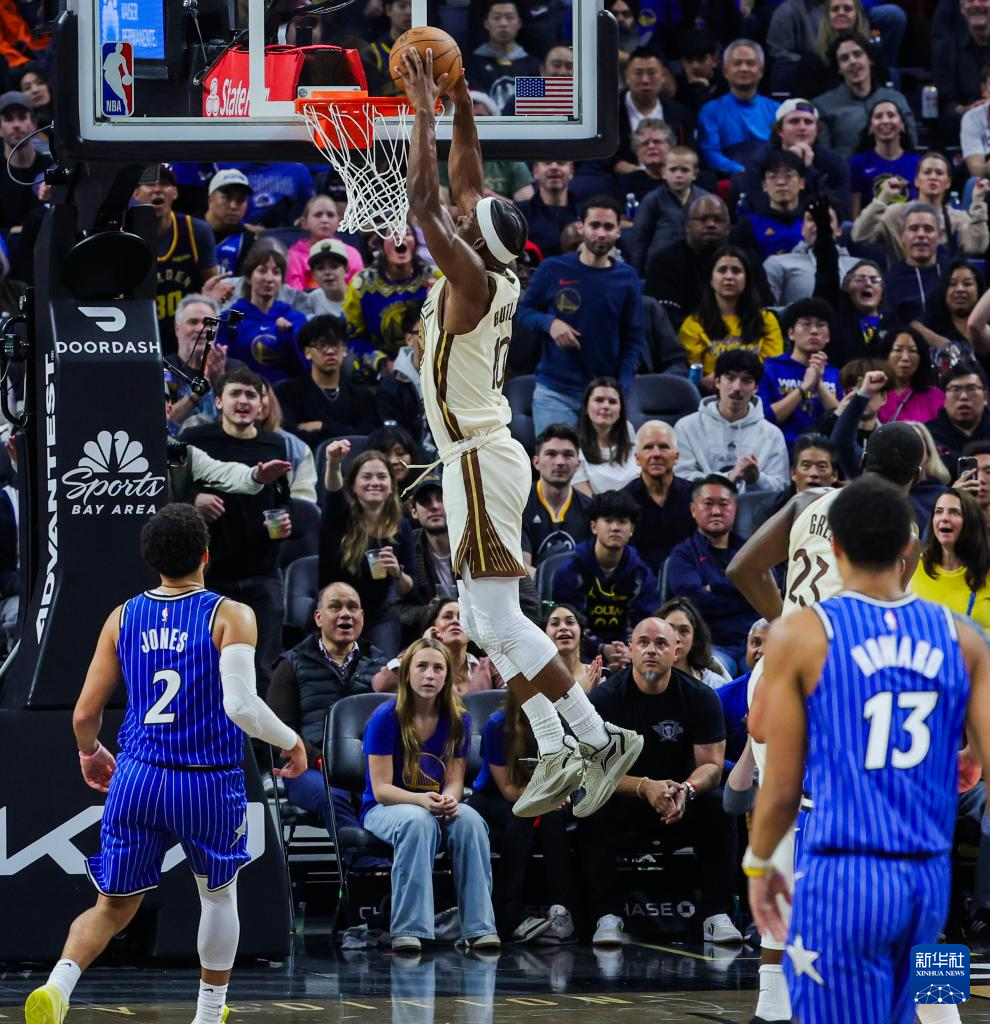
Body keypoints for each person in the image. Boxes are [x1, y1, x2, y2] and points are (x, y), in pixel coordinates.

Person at [403, 53, 643, 822]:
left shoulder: (471, 280)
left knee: (499, 619)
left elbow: (424, 197)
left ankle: (597, 736)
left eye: (466, 220)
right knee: (478, 621)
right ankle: (556, 737)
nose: (460, 213)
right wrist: (461, 103)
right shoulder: (492, 267)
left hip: (479, 456)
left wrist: (420, 107)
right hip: (473, 455)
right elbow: (465, 181)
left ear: (472, 240)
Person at [23, 504, 306, 1024]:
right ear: (206, 555)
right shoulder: (231, 615)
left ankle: (57, 986)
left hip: (138, 776)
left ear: (151, 560)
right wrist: (291, 740)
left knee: (111, 906)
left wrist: (91, 752)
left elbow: (84, 714)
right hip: (205, 780)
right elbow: (242, 707)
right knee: (217, 897)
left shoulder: (122, 616)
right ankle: (208, 1014)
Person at [745, 476, 990, 1024]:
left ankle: (769, 1005)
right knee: (926, 979)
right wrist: (965, 757)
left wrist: (759, 866)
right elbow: (980, 766)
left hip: (843, 869)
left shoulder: (801, 635)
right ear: (910, 548)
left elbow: (769, 760)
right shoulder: (965, 636)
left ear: (834, 546)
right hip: (929, 872)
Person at [726, 421, 925, 1024]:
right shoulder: (907, 544)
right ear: (918, 475)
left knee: (787, 831)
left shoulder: (809, 500)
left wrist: (790, 628)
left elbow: (741, 569)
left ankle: (774, 1001)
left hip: (780, 671)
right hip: (834, 686)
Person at [576, 617, 742, 946]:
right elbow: (592, 770)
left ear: (676, 651)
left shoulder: (701, 697)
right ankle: (606, 915)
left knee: (719, 805)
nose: (651, 650)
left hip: (680, 801)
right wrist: (644, 786)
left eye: (661, 643)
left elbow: (711, 766)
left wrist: (687, 789)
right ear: (631, 650)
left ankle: (717, 913)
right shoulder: (604, 699)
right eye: (643, 642)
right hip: (625, 800)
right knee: (591, 805)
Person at [362, 638, 499, 953]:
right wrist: (421, 800)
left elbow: (454, 781)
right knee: (417, 822)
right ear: (407, 672)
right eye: (421, 666)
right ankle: (409, 929)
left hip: (432, 805)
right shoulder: (385, 717)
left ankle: (480, 928)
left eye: (438, 668)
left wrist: (450, 799)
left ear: (448, 676)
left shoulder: (458, 718)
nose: (429, 675)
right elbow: (381, 790)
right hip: (385, 808)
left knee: (470, 821)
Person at [182, 367, 294, 696]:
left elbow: (283, 498)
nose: (243, 401)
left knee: (263, 669)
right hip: (210, 574)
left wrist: (284, 519)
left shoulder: (275, 444)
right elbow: (169, 493)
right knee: (206, 667)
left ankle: (261, 733)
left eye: (251, 395)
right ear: (218, 401)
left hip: (263, 573)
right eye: (235, 393)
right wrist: (194, 500)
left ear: (261, 404)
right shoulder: (195, 440)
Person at [266, 581, 387, 845]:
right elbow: (278, 731)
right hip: (308, 768)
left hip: (370, 768)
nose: (346, 614)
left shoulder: (380, 665)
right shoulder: (291, 664)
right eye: (335, 607)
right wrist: (321, 760)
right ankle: (362, 862)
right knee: (332, 797)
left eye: (352, 607)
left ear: (362, 616)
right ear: (318, 617)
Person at [517, 194, 646, 435]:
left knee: (605, 460)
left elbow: (634, 338)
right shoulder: (553, 268)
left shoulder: (627, 278)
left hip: (603, 393)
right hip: (555, 391)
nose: (601, 233)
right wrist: (550, 323)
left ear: (619, 231)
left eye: (608, 227)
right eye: (594, 225)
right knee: (557, 458)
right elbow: (523, 311)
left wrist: (620, 387)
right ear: (581, 227)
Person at [468, 687, 577, 944]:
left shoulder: (562, 723)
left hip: (544, 799)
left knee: (550, 818)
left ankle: (562, 910)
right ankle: (509, 912)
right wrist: (549, 797)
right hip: (493, 799)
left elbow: (571, 774)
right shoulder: (498, 725)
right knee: (526, 814)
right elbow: (508, 789)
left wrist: (561, 793)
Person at [319, 440, 414, 658]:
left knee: (382, 670)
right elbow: (332, 491)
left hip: (378, 615)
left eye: (382, 477)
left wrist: (397, 573)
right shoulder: (338, 517)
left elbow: (410, 589)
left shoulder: (402, 525)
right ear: (353, 485)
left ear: (391, 485)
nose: (375, 482)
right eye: (367, 476)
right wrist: (333, 463)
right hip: (335, 611)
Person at [551, 488, 659, 669]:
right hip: (579, 654)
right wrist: (601, 648)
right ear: (594, 526)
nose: (615, 527)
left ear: (632, 529)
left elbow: (645, 622)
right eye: (608, 521)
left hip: (629, 656)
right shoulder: (570, 571)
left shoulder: (642, 574)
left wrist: (626, 651)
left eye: (622, 522)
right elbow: (566, 622)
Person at [666, 474, 761, 674]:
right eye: (708, 504)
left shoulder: (751, 549)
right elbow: (694, 602)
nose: (716, 511)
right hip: (711, 645)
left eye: (724, 504)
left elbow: (768, 588)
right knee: (713, 673)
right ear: (693, 509)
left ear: (734, 508)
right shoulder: (682, 554)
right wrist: (745, 594)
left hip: (754, 641)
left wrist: (715, 587)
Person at [132, 163, 225, 353]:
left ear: (175, 192)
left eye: (164, 183)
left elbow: (211, 287)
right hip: (139, 335)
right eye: (150, 183)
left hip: (186, 336)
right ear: (136, 193)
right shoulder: (124, 233)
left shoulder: (197, 230)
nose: (157, 189)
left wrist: (210, 298)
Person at [675, 350, 791, 496]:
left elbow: (782, 487)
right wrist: (728, 478)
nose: (737, 387)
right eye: (730, 378)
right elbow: (679, 479)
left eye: (746, 381)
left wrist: (756, 479)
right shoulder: (686, 427)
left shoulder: (772, 434)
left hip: (755, 510)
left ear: (756, 388)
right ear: (717, 382)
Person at [852, 151, 990, 262]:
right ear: (917, 181)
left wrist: (978, 202)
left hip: (943, 284)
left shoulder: (958, 219)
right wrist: (882, 199)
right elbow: (859, 236)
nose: (933, 177)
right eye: (927, 172)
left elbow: (977, 247)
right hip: (902, 283)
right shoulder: (895, 214)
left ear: (948, 183)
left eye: (939, 173)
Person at [677, 247, 783, 385]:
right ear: (711, 279)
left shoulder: (766, 320)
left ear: (746, 279)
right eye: (722, 270)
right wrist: (705, 382)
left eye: (736, 271)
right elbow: (692, 376)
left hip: (757, 392)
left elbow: (773, 368)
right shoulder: (694, 323)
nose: (729, 277)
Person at [274, 314, 379, 449]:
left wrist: (322, 426)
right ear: (307, 352)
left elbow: (367, 438)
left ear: (345, 350)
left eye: (335, 345)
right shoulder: (288, 392)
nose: (330, 351)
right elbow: (291, 438)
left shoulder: (363, 396)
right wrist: (344, 432)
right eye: (321, 345)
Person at [344, 222, 438, 370]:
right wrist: (380, 361)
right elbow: (352, 338)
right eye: (391, 234)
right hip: (382, 369)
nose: (400, 238)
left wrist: (441, 301)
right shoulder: (361, 285)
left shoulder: (436, 278)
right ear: (380, 246)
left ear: (415, 244)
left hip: (430, 361)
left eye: (407, 233)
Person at [813, 31, 917, 158]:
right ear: (839, 68)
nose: (852, 61)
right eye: (844, 58)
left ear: (870, 59)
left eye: (857, 54)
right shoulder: (823, 106)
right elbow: (825, 159)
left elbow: (911, 145)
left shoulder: (896, 99)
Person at [758, 296, 841, 445]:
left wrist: (819, 384)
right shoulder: (769, 370)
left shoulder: (836, 374)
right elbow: (764, 419)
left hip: (825, 452)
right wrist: (804, 388)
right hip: (782, 450)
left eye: (821, 325)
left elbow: (842, 423)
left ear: (828, 336)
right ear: (791, 333)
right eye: (806, 324)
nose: (814, 331)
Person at [374, 597, 498, 696]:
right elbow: (381, 686)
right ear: (433, 626)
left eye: (462, 618)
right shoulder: (417, 663)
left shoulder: (489, 665)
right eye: (447, 616)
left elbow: (508, 701)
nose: (455, 621)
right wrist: (422, 646)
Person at [226, 246, 308, 385]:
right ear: (248, 278)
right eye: (262, 271)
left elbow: (303, 370)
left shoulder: (295, 319)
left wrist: (286, 337)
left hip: (288, 393)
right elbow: (226, 369)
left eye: (276, 272)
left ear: (281, 281)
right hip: (246, 392)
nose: (269, 278)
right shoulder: (229, 319)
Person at [622, 420, 695, 575]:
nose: (656, 454)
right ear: (637, 458)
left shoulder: (696, 497)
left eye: (663, 447)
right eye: (648, 447)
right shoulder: (622, 502)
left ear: (676, 457)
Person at [911, 487, 990, 629]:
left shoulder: (986, 568)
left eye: (955, 512)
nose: (944, 518)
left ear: (971, 522)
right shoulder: (915, 565)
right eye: (938, 511)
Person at [697, 40, 779, 175]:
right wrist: (742, 171)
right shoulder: (710, 110)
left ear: (761, 71)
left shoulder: (777, 110)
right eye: (737, 63)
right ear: (725, 71)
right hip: (729, 179)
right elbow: (710, 154)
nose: (744, 68)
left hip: (771, 176)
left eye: (750, 63)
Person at [628, 141, 711, 273]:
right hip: (659, 267)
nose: (678, 175)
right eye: (673, 169)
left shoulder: (705, 200)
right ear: (663, 173)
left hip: (697, 266)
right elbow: (640, 239)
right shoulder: (652, 200)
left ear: (695, 174)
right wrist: (637, 274)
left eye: (684, 170)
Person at [521, 424, 592, 577]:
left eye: (568, 455)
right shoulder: (520, 505)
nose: (560, 462)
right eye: (551, 454)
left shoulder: (591, 510)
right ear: (536, 462)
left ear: (578, 464)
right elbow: (521, 565)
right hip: (533, 590)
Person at [614, 47, 694, 172]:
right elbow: (600, 156)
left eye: (651, 73)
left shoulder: (679, 113)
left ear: (663, 75)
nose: (645, 80)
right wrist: (619, 165)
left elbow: (689, 153)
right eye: (638, 73)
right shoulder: (611, 112)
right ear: (627, 76)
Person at [731, 150, 808, 261]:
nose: (780, 182)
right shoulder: (748, 227)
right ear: (764, 185)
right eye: (773, 177)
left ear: (801, 183)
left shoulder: (813, 222)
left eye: (788, 176)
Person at [848, 98, 920, 217]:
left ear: (902, 125)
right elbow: (855, 216)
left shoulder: (918, 163)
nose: (885, 121)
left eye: (891, 115)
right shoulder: (857, 163)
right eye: (878, 117)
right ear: (870, 128)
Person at [465, 0, 541, 112]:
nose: (503, 23)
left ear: (519, 23)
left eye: (509, 17)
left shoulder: (532, 66)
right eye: (497, 18)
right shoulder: (471, 65)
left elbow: (533, 106)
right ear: (486, 23)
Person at [883, 203, 950, 328]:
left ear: (940, 237)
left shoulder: (954, 273)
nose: (921, 235)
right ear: (902, 236)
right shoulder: (889, 281)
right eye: (913, 229)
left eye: (928, 229)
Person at [571, 377, 639, 495]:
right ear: (586, 407)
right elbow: (584, 497)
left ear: (620, 410)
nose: (606, 406)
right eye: (599, 400)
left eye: (612, 402)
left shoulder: (629, 431)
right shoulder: (573, 444)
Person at [285, 195, 363, 291]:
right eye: (318, 215)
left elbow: (358, 292)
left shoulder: (352, 253)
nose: (325, 220)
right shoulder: (293, 255)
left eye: (330, 215)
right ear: (304, 223)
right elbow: (295, 295)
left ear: (338, 222)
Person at [927, 360, 990, 476]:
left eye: (971, 389)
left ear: (985, 397)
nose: (963, 397)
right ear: (943, 398)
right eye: (955, 390)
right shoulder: (930, 434)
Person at [0, 90, 49, 237]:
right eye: (9, 119)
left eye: (22, 117)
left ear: (33, 124)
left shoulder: (51, 169)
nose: (16, 125)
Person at [659, 595, 732, 689]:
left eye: (684, 631)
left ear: (694, 639)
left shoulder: (714, 685)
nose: (676, 638)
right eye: (669, 628)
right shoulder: (643, 681)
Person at [876, 326, 945, 424]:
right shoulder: (873, 394)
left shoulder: (935, 397)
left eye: (912, 351)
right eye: (898, 350)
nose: (905, 358)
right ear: (886, 355)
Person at [923, 258, 983, 367]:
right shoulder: (934, 326)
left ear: (979, 290)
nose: (960, 289)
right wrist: (945, 343)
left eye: (967, 283)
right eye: (952, 284)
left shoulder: (985, 326)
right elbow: (913, 326)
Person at [515, 161, 581, 259]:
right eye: (547, 162)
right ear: (535, 171)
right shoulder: (518, 214)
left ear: (571, 170)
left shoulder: (585, 213)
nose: (554, 167)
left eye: (561, 163)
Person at [204, 168, 257, 278]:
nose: (233, 206)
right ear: (210, 199)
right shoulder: (187, 229)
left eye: (240, 200)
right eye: (227, 198)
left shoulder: (247, 241)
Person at [544, 603, 602, 692]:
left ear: (581, 632)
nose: (563, 627)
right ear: (544, 634)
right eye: (555, 623)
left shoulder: (600, 676)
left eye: (570, 622)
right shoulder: (536, 683)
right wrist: (584, 693)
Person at [301, 239, 350, 318]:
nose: (327, 272)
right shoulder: (311, 300)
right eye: (320, 268)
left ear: (347, 270)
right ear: (313, 275)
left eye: (334, 266)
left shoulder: (359, 298)